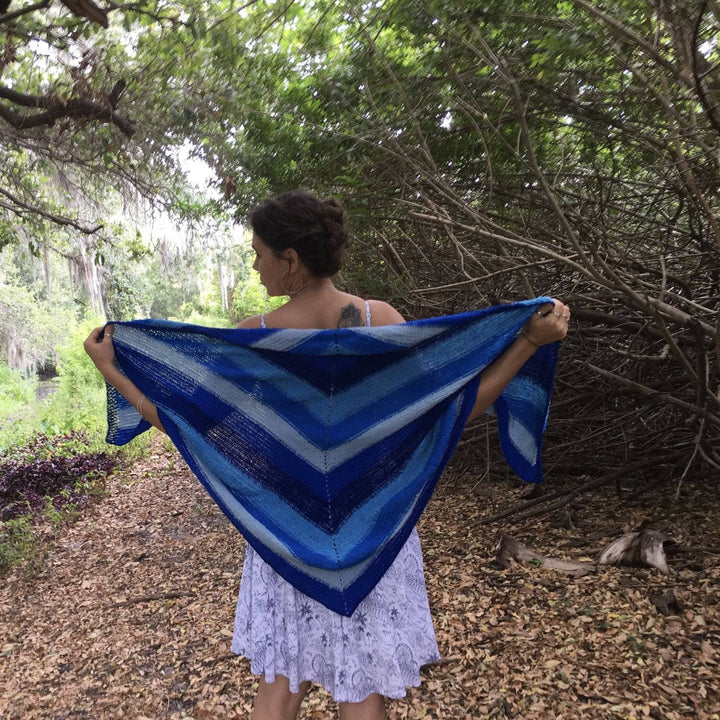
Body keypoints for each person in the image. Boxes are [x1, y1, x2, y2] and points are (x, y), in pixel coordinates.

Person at [84, 190, 570, 720]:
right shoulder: (380, 321)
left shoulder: (255, 340)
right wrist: (525, 342)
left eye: (259, 253)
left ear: (289, 260)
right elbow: (461, 405)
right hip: (376, 531)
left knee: (281, 687)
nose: (255, 265)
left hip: (284, 537)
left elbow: (178, 417)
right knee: (359, 689)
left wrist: (112, 368)